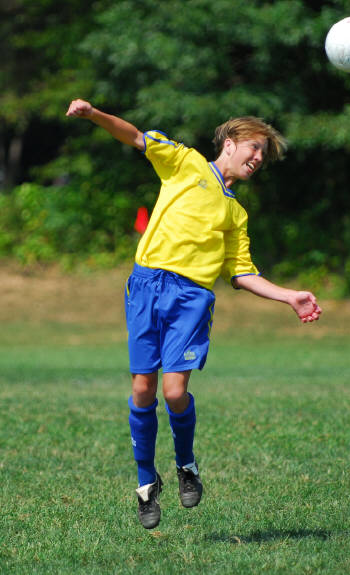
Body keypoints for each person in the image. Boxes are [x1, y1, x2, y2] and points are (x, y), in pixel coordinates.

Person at [65, 99, 322, 530]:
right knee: (143, 389)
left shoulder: (235, 213)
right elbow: (135, 136)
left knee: (173, 393)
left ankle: (186, 464)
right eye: (255, 147)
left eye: (264, 154)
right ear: (229, 142)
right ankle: (146, 482)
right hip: (146, 286)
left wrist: (289, 296)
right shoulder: (183, 162)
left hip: (191, 299)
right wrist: (94, 116)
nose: (259, 158)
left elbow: (241, 273)